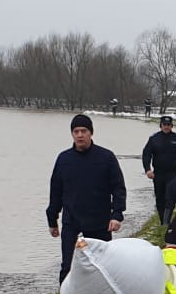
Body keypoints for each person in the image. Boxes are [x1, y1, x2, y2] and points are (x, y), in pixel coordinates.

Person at [48, 113, 126, 280]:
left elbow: (118, 188)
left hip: (100, 223)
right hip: (72, 222)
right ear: (72, 134)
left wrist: (117, 215)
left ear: (91, 133)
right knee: (68, 267)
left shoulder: (106, 158)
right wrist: (52, 220)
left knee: (102, 267)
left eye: (84, 131)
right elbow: (56, 191)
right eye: (76, 131)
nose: (80, 135)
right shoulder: (64, 159)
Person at [141, 114, 176, 228]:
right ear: (161, 126)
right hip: (158, 174)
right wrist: (147, 170)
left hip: (173, 174)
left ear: (172, 126)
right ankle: (162, 220)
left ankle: (166, 223)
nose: (166, 127)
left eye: (169, 125)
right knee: (159, 198)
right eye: (164, 125)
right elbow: (146, 155)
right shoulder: (154, 139)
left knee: (170, 197)